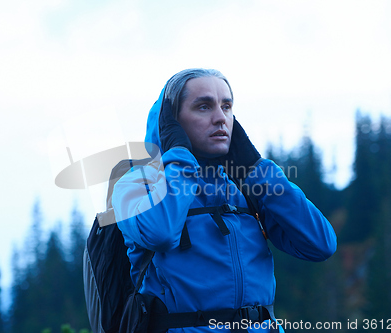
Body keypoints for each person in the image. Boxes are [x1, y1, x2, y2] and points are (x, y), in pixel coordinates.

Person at [112, 68, 337, 333]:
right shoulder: (137, 182)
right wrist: (179, 156)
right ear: (170, 123)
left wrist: (256, 169)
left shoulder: (246, 185)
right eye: (204, 106)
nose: (221, 118)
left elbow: (320, 244)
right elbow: (160, 234)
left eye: (227, 106)